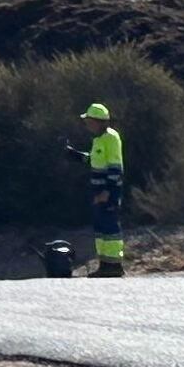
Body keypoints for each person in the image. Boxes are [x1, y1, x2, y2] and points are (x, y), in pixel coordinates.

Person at [79, 102, 128, 278]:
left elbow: (116, 168)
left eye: (89, 121)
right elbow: (94, 160)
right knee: (101, 227)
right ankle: (105, 264)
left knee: (110, 226)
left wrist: (107, 191)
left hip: (108, 192)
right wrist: (77, 155)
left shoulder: (111, 138)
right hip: (98, 192)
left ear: (99, 122)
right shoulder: (98, 140)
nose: (87, 125)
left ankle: (114, 264)